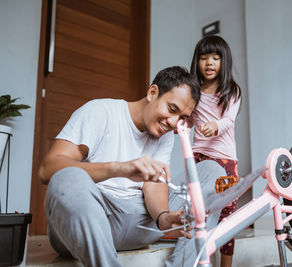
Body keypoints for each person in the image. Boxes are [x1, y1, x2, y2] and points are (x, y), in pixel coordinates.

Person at [39, 66, 226, 267]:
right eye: (172, 109)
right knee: (67, 177)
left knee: (213, 172)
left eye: (182, 117)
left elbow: (153, 184)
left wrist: (163, 216)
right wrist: (119, 168)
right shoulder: (100, 112)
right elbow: (48, 169)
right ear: (152, 93)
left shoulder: (164, 134)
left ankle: (183, 264)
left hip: (139, 222)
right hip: (92, 220)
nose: (173, 122)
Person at [188, 35, 242, 267]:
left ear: (224, 61)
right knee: (200, 212)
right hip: (199, 158)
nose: (209, 63)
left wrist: (216, 126)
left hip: (225, 160)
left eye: (215, 58)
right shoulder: (193, 92)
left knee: (227, 215)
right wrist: (179, 125)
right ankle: (201, 260)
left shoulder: (231, 91)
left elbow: (229, 120)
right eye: (204, 58)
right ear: (197, 62)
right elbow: (189, 119)